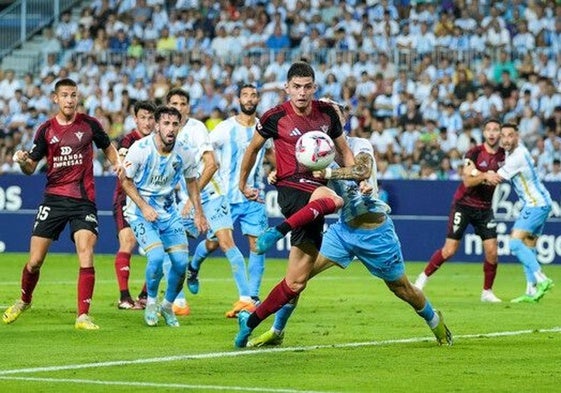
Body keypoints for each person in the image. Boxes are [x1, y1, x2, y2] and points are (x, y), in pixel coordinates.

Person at [244, 132, 453, 348]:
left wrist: (327, 173)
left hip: (376, 233)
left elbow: (362, 170)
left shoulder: (359, 145)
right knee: (297, 277)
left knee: (402, 289)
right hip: (342, 232)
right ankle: (277, 331)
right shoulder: (317, 153)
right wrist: (278, 176)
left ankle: (434, 320)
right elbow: (298, 179)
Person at [235, 61, 355, 347]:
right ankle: (277, 232)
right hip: (290, 188)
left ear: (314, 88)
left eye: (307, 87)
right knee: (333, 199)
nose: (301, 93)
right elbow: (253, 149)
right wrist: (242, 184)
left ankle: (249, 322)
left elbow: (344, 151)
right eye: (296, 87)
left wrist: (354, 178)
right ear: (287, 88)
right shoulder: (275, 116)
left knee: (296, 283)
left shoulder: (326, 114)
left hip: (313, 199)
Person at [3, 78, 121, 330]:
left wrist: (118, 164)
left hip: (83, 201)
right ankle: (24, 300)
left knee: (86, 252)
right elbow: (30, 168)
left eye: (73, 95)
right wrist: (23, 161)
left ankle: (82, 315)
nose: (70, 99)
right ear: (55, 98)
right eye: (65, 95)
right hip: (54, 199)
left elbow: (107, 147)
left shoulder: (90, 124)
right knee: (34, 261)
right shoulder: (45, 130)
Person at [166, 88, 255, 318]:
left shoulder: (196, 129)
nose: (178, 107)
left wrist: (192, 200)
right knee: (176, 246)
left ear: (188, 107)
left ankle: (246, 300)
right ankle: (179, 300)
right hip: (186, 196)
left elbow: (212, 164)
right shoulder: (165, 133)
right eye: (174, 103)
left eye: (183, 103)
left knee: (226, 243)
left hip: (211, 195)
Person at [120, 105, 208, 327]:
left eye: (175, 124)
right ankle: (150, 302)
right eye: (166, 124)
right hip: (140, 212)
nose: (170, 129)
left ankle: (168, 305)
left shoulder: (185, 152)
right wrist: (143, 206)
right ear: (157, 126)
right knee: (157, 257)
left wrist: (199, 212)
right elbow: (125, 181)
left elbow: (191, 182)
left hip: (169, 213)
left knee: (180, 264)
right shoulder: (140, 148)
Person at [185, 85, 274, 305]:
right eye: (245, 95)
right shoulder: (225, 128)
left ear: (258, 99)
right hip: (224, 198)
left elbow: (273, 153)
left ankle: (251, 297)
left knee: (257, 246)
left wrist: (276, 169)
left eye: (253, 95)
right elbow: (204, 151)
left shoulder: (264, 129)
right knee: (213, 244)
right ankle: (193, 267)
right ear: (238, 100)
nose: (249, 99)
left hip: (253, 197)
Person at [414, 119, 505, 303]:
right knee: (449, 250)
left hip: (485, 209)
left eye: (496, 129)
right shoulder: (474, 152)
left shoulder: (504, 155)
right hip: (464, 205)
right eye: (489, 129)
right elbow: (467, 181)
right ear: (484, 132)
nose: (492, 133)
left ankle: (487, 292)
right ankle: (421, 279)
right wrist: (485, 175)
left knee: (492, 251)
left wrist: (477, 174)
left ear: (500, 133)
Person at [486, 123, 554, 303]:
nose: (506, 139)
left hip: (535, 204)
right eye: (504, 136)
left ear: (518, 137)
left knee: (515, 243)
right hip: (541, 202)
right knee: (528, 246)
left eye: (510, 135)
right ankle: (531, 291)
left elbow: (496, 178)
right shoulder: (514, 153)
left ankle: (542, 279)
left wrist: (475, 174)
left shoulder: (518, 156)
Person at [112, 100, 156, 310]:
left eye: (150, 118)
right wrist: (121, 161)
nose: (147, 122)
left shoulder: (159, 141)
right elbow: (121, 154)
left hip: (153, 200)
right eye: (143, 118)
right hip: (125, 197)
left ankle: (146, 295)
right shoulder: (129, 139)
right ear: (135, 119)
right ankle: (124, 296)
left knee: (158, 248)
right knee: (128, 241)